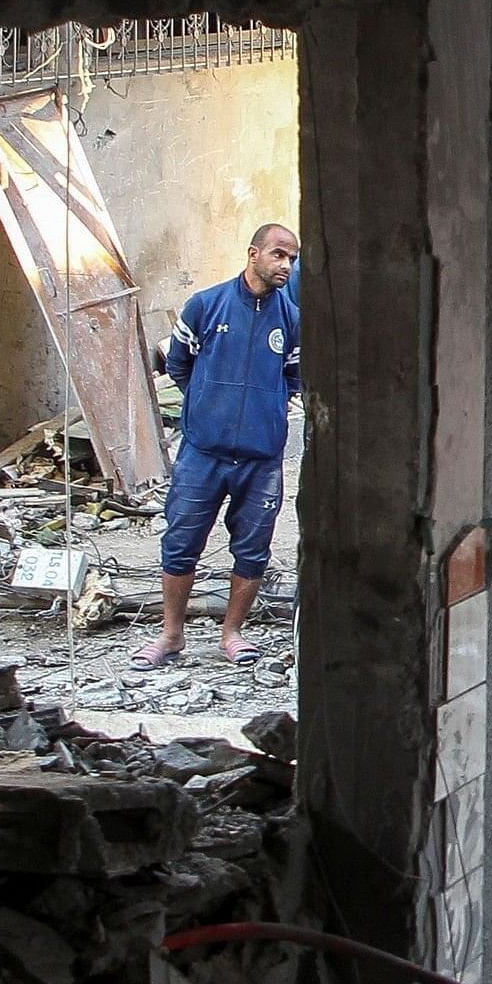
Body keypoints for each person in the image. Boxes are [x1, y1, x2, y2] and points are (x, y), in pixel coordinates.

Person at [140, 223, 301, 668]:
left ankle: (232, 634)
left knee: (252, 550)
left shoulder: (291, 320)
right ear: (253, 254)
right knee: (180, 541)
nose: (285, 264)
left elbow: (293, 378)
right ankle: (171, 634)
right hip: (202, 454)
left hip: (261, 460)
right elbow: (179, 364)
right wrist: (210, 407)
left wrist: (263, 412)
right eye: (278, 255)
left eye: (291, 258)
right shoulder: (205, 306)